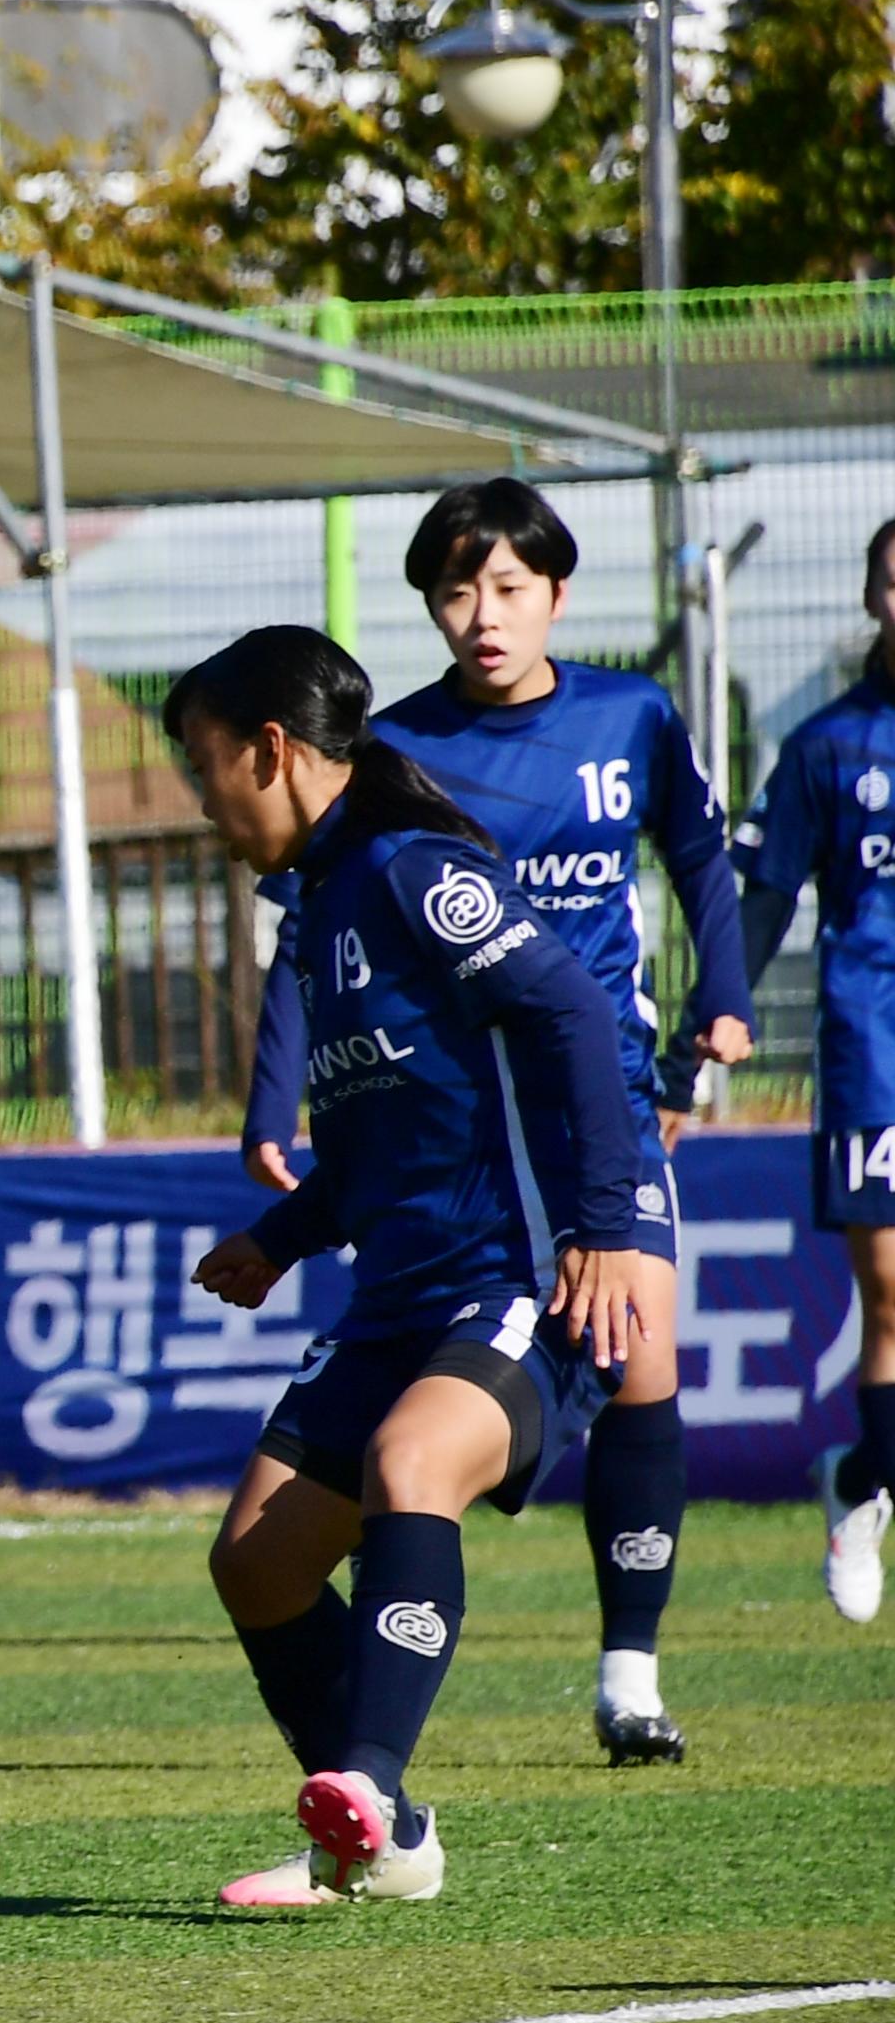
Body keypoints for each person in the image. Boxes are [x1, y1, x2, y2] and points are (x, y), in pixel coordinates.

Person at [239, 480, 750, 1764]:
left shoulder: (629, 713)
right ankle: (369, 1778)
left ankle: (627, 1668)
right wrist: (284, 1132)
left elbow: (696, 857)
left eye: (509, 587)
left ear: (557, 596)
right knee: (302, 1522)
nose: (483, 614)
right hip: (466, 1125)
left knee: (640, 1357)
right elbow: (313, 946)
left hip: (603, 1098)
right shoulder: (393, 763)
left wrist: (723, 1007)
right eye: (456, 590)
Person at [174, 626, 647, 1908]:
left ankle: (367, 1800)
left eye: (206, 766)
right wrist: (281, 1237)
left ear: (271, 750)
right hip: (395, 1293)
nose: (205, 800)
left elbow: (572, 1011)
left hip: (513, 1278)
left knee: (409, 1464)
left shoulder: (410, 869)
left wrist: (604, 1222)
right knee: (258, 1563)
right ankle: (390, 1830)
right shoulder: (322, 904)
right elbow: (384, 1128)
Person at [681, 517, 895, 1624]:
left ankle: (863, 1475)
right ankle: (865, 1483)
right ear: (871, 597)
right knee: (894, 1291)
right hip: (878, 1044)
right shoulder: (827, 747)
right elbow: (760, 899)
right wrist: (706, 1027)